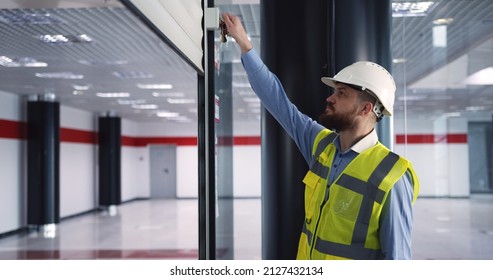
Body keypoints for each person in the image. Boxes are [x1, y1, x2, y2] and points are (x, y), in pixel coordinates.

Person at [222, 13, 419, 260]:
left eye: (342, 93)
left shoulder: (393, 177)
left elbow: (398, 260)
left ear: (366, 109)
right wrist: (244, 44)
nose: (330, 98)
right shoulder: (322, 145)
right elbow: (278, 101)